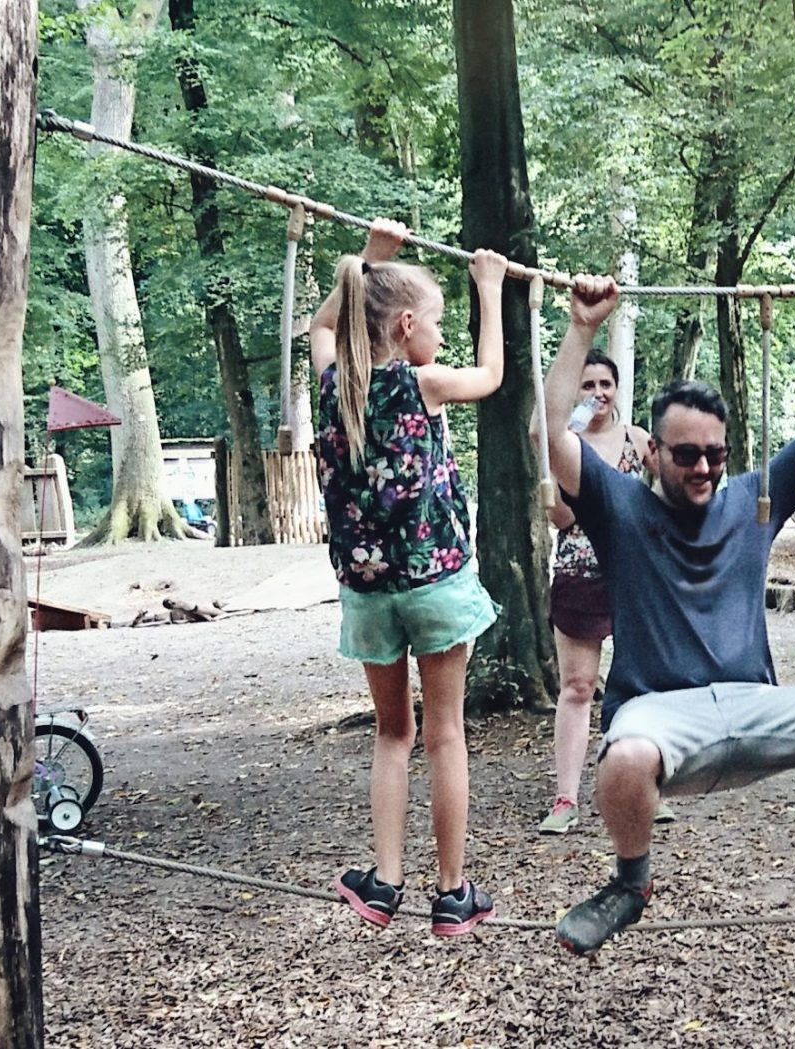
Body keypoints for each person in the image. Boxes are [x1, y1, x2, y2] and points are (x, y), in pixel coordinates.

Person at [541, 274, 795, 955]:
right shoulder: (618, 506)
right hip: (662, 713)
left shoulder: (753, 499)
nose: (702, 467)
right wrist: (581, 327)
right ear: (653, 453)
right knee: (623, 759)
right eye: (686, 453)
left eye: (715, 454)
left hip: (755, 704)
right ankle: (629, 885)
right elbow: (550, 432)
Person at [310, 221, 509, 936]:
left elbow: (321, 325)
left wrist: (369, 258)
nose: (442, 336)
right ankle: (453, 891)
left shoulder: (333, 384)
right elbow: (490, 377)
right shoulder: (420, 382)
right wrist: (488, 289)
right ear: (403, 324)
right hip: (437, 584)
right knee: (445, 735)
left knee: (393, 734)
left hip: (368, 594)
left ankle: (387, 880)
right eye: (437, 322)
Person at [538, 355, 664, 835]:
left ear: (617, 387)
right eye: (587, 382)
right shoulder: (564, 446)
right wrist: (570, 431)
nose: (597, 392)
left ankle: (651, 786)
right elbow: (559, 517)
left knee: (646, 683)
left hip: (635, 574)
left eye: (605, 383)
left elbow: (672, 484)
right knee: (577, 687)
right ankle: (565, 798)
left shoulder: (636, 438)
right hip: (578, 572)